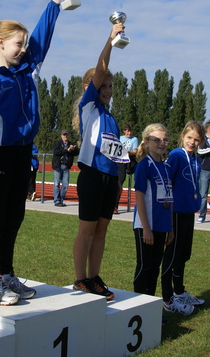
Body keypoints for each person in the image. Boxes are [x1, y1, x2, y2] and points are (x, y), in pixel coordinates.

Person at [0, 0, 69, 306]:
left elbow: (43, 37)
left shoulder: (29, 70)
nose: (24, 48)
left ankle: (7, 274)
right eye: (18, 43)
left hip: (22, 154)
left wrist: (55, 2)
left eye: (25, 43)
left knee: (15, 217)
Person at [71, 21, 127, 301]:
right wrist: (111, 40)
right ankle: (80, 278)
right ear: (90, 87)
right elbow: (102, 68)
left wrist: (118, 182)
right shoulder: (89, 106)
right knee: (87, 230)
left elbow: (116, 155)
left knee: (102, 230)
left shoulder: (111, 118)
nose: (108, 89)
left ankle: (94, 277)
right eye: (103, 85)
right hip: (91, 175)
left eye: (111, 86)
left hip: (108, 179)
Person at [162, 121, 206, 315]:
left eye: (196, 139)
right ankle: (167, 297)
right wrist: (167, 215)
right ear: (182, 137)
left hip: (188, 212)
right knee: (172, 255)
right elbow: (166, 182)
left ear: (201, 141)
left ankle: (179, 291)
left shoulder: (196, 159)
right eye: (189, 138)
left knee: (184, 254)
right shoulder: (176, 156)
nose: (192, 142)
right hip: (176, 212)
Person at [132, 123, 174, 297]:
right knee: (145, 266)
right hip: (146, 225)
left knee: (155, 267)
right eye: (156, 140)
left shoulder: (167, 167)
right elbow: (140, 197)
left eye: (165, 140)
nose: (162, 143)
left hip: (162, 225)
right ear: (146, 142)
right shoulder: (144, 166)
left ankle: (150, 306)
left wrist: (170, 227)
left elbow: (169, 199)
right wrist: (146, 228)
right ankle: (138, 305)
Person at [52, 130, 78, 207]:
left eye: (66, 135)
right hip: (58, 166)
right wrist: (67, 150)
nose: (65, 136)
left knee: (65, 185)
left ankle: (61, 199)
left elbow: (77, 152)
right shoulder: (57, 143)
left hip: (66, 166)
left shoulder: (71, 144)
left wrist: (73, 149)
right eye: (64, 135)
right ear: (61, 136)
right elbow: (57, 152)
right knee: (56, 184)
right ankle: (57, 200)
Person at [116, 124, 139, 214]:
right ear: (124, 131)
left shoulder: (134, 139)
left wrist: (129, 152)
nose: (129, 133)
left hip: (129, 161)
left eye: (130, 131)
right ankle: (115, 205)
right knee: (119, 181)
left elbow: (135, 151)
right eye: (127, 131)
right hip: (120, 161)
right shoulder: (119, 138)